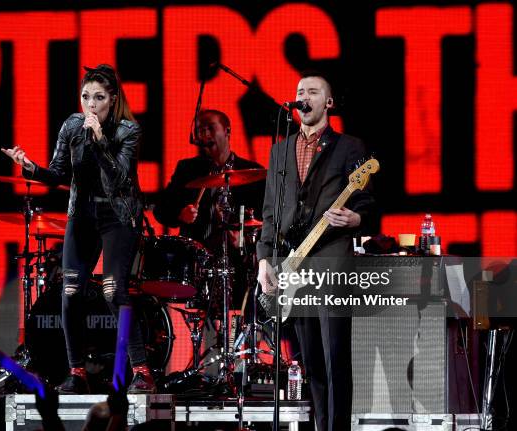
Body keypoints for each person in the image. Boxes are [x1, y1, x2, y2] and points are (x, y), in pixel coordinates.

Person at [2, 64, 155, 395]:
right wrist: (30, 167)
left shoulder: (128, 131)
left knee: (114, 291)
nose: (91, 105)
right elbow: (58, 173)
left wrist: (100, 140)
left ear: (112, 100)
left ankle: (142, 371)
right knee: (70, 291)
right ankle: (76, 372)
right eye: (86, 97)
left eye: (99, 98)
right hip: (82, 215)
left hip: (117, 215)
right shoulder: (72, 125)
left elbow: (118, 180)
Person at [256, 71, 377, 431]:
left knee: (335, 356)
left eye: (312, 91)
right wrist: (264, 259)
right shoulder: (280, 149)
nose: (302, 96)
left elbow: (368, 203)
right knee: (311, 363)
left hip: (332, 261)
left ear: (329, 103)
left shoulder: (350, 147)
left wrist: (355, 218)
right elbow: (269, 212)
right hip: (292, 264)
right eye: (298, 91)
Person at [153, 109, 265, 306]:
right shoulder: (187, 170)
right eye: (199, 130)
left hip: (238, 264)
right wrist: (181, 214)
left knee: (237, 324)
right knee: (205, 331)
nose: (204, 135)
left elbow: (268, 219)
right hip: (198, 266)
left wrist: (246, 236)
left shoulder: (253, 174)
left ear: (227, 131)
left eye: (210, 128)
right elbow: (160, 210)